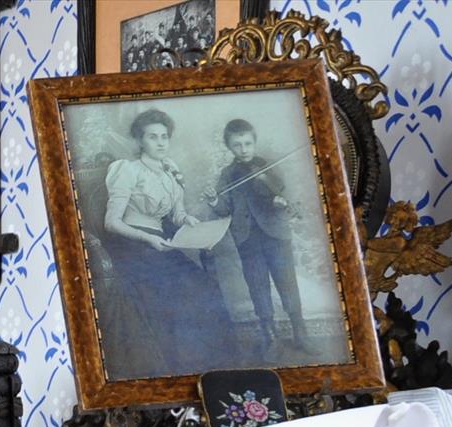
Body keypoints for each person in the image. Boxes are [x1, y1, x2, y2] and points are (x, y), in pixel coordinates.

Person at [98, 107, 229, 377]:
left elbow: (176, 214)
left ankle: (209, 368)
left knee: (203, 286)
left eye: (164, 137)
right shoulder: (127, 170)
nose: (160, 143)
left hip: (161, 243)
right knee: (175, 294)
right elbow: (111, 222)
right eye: (153, 137)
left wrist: (188, 220)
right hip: (132, 245)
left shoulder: (170, 170)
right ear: (140, 140)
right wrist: (149, 239)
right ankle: (178, 368)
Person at [213, 117, 304, 355]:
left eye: (248, 144)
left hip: (275, 234)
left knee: (287, 281)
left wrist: (278, 201)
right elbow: (223, 209)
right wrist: (214, 201)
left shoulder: (268, 167)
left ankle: (300, 334)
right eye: (237, 145)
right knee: (257, 286)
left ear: (254, 142)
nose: (243, 149)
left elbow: (282, 192)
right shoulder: (227, 175)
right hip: (247, 239)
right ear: (229, 147)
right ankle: (270, 337)